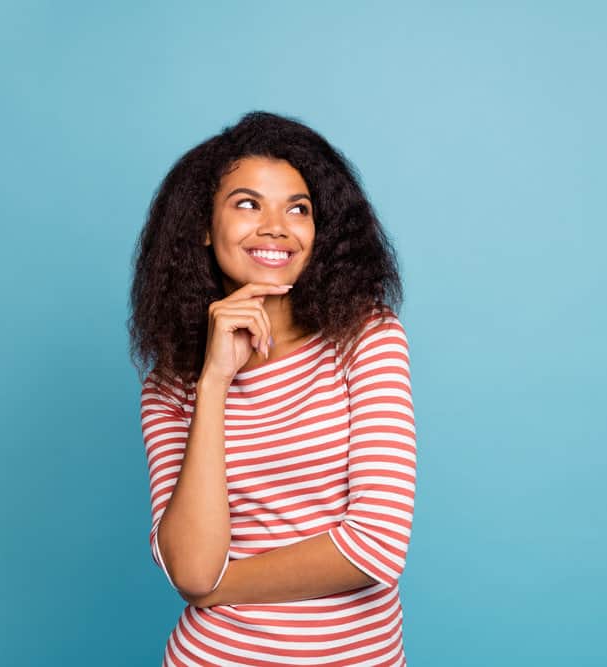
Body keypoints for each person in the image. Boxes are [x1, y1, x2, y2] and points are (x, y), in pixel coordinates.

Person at [127, 111, 416, 666]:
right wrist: (213, 384)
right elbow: (189, 566)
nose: (276, 226)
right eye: (247, 203)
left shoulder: (366, 339)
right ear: (203, 227)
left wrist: (216, 589)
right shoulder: (170, 386)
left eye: (298, 208)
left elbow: (376, 546)